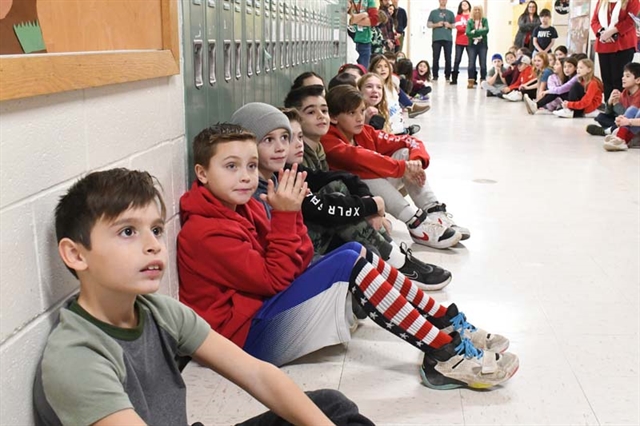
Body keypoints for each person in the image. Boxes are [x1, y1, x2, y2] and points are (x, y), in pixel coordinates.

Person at [178, 123, 518, 390]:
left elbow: (301, 256)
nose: (245, 176)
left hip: (262, 313)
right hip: (244, 344)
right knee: (347, 260)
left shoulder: (245, 205)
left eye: (251, 166)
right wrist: (286, 215)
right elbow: (275, 280)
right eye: (231, 166)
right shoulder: (204, 232)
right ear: (202, 173)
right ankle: (443, 352)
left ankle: (443, 320)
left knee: (354, 251)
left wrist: (292, 214)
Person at [33, 168, 374, 425]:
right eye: (127, 232)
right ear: (76, 255)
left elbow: (257, 375)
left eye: (155, 229)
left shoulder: (157, 311)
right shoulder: (77, 357)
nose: (152, 244)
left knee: (330, 407)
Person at [279, 99, 452, 290]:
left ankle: (429, 216)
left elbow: (342, 177)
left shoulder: (302, 162)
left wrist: (370, 203)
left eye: (299, 137)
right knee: (340, 194)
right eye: (352, 113)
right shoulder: (289, 173)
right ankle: (402, 247)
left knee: (345, 185)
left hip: (321, 236)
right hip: (303, 257)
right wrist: (371, 206)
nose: (296, 144)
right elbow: (322, 206)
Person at [321, 84, 472, 247]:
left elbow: (408, 140)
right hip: (351, 203)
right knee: (363, 172)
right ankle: (416, 224)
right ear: (334, 117)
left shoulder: (365, 131)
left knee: (406, 153)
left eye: (362, 111)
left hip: (374, 194)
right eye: (352, 113)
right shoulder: (328, 138)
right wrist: (403, 168)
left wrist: (416, 161)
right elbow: (359, 158)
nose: (359, 118)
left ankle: (435, 212)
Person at [591, 0, 640, 101]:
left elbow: (630, 21)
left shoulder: (632, 1)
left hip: (623, 45)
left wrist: (612, 32)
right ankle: (609, 108)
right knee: (607, 80)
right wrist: (602, 33)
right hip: (604, 44)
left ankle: (620, 109)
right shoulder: (602, 1)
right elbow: (594, 21)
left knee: (620, 80)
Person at [370, 55, 428, 134]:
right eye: (379, 67)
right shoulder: (374, 89)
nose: (383, 69)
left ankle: (404, 129)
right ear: (373, 70)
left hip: (397, 124)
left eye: (386, 66)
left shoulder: (392, 86)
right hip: (385, 128)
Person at [587, 61, 640, 135]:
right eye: (623, 76)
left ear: (638, 80)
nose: (623, 78)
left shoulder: (638, 95)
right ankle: (612, 130)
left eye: (627, 76)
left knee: (624, 121)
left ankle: (608, 131)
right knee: (601, 117)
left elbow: (628, 115)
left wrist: (616, 104)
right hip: (624, 121)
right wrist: (610, 101)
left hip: (634, 123)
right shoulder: (625, 92)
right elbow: (608, 112)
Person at [427, 0, 455, 81]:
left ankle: (447, 75)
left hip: (448, 39)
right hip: (436, 39)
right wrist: (436, 24)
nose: (443, 1)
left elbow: (454, 25)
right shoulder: (433, 12)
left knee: (448, 58)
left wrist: (449, 25)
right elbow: (428, 24)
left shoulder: (450, 13)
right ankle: (435, 75)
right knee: (435, 57)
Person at [348, 0, 380, 68]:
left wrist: (353, 20)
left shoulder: (369, 1)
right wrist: (363, 15)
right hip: (348, 41)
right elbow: (345, 18)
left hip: (364, 41)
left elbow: (374, 20)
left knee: (363, 72)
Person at [465, 4, 489, 88]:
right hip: (472, 45)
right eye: (475, 9)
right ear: (473, 11)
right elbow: (467, 33)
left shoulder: (484, 20)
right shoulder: (470, 21)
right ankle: (471, 80)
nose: (477, 11)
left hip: (482, 44)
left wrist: (474, 32)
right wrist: (480, 32)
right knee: (471, 63)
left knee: (483, 64)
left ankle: (483, 80)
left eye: (479, 9)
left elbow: (486, 30)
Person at [452, 0, 472, 85]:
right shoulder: (458, 17)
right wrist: (468, 28)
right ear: (460, 6)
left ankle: (471, 79)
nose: (464, 5)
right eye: (462, 4)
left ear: (469, 5)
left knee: (471, 60)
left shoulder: (472, 16)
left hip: (470, 41)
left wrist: (465, 27)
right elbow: (459, 28)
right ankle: (454, 79)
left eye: (466, 4)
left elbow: (474, 27)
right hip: (459, 41)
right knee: (457, 60)